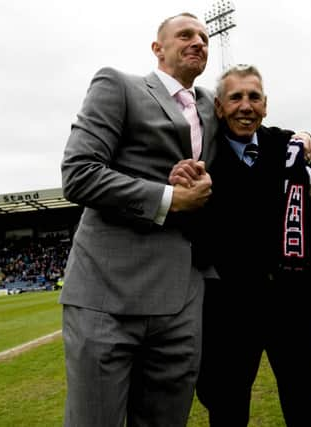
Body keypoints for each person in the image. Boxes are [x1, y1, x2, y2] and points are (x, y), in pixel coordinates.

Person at [59, 12, 218, 426]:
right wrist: (171, 199)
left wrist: (302, 141)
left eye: (203, 36)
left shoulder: (210, 106)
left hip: (182, 298)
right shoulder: (119, 85)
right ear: (157, 48)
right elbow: (79, 173)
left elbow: (253, 126)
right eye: (185, 34)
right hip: (107, 295)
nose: (199, 41)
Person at [170, 64, 311, 426]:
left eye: (254, 97)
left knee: (308, 398)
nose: (245, 106)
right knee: (227, 404)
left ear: (265, 106)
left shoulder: (286, 149)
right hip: (229, 309)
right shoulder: (202, 159)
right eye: (235, 97)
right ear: (218, 107)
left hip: (294, 302)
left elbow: (308, 227)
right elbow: (193, 237)